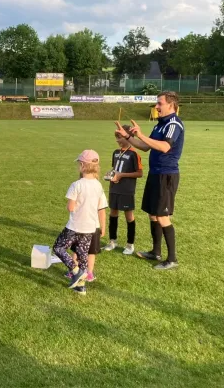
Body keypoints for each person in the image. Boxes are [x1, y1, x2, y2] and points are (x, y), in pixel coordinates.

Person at [115, 91, 185, 270]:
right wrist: (128, 137)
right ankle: (156, 252)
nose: (156, 107)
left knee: (162, 216)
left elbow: (164, 147)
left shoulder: (173, 124)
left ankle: (172, 259)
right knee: (153, 213)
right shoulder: (160, 125)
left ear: (171, 105)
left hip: (166, 175)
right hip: (155, 174)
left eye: (160, 103)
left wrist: (140, 135)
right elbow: (146, 147)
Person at [52, 150, 106, 294]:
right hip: (89, 228)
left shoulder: (76, 185)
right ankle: (80, 287)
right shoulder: (98, 186)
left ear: (82, 165)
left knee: (58, 248)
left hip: (75, 226)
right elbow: (100, 206)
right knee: (83, 256)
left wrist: (69, 205)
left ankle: (75, 270)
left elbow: (71, 207)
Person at [102, 125, 143, 255]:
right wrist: (110, 175)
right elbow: (115, 169)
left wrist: (122, 175)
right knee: (113, 213)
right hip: (114, 188)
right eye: (116, 137)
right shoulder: (115, 152)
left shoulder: (134, 154)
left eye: (119, 137)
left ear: (127, 137)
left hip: (126, 190)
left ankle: (130, 244)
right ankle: (112, 241)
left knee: (128, 215)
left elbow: (139, 173)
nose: (117, 140)